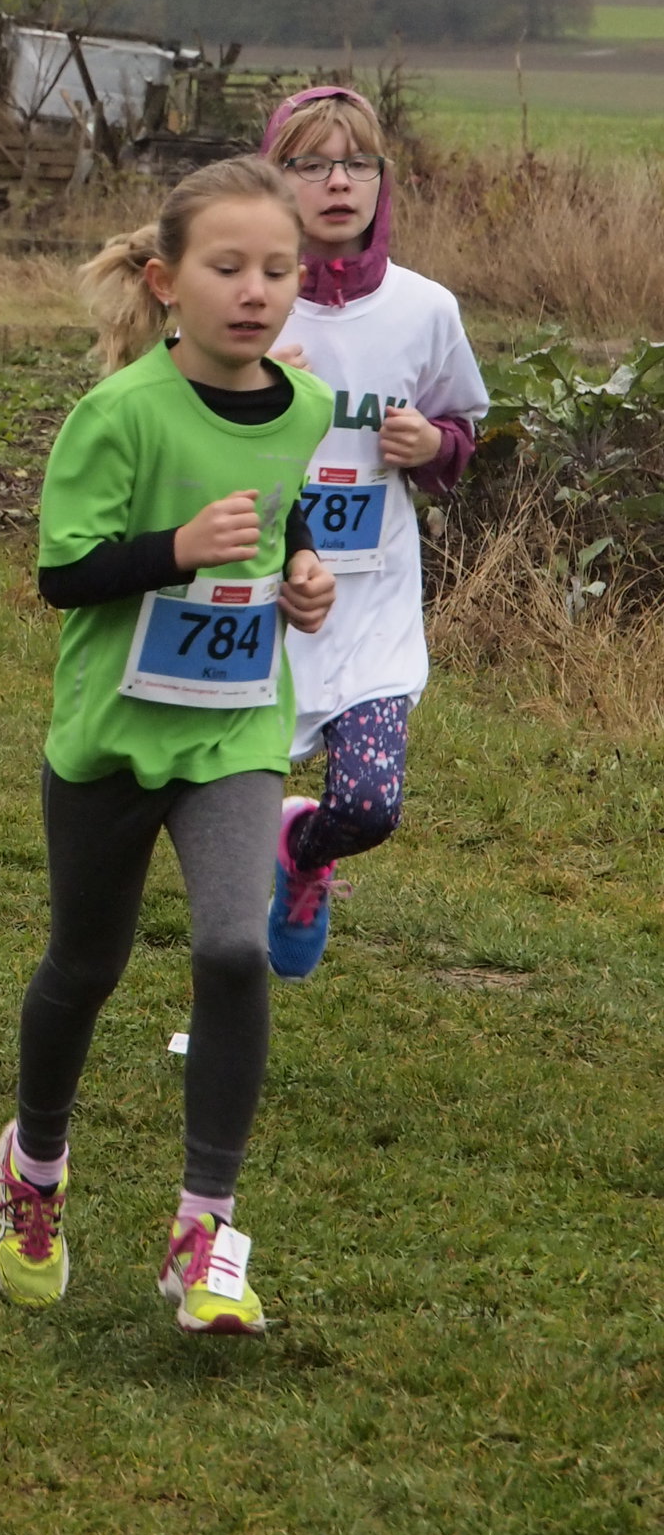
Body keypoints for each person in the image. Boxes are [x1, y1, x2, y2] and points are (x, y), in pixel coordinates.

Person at [0, 156, 337, 1338]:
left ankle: (205, 1235)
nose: (256, 291)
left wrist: (303, 575)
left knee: (235, 948)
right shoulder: (120, 413)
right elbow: (63, 573)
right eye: (228, 267)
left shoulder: (307, 407)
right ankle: (34, 1171)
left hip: (236, 729)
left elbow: (286, 519)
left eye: (278, 270)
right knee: (85, 966)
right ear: (166, 281)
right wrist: (178, 548)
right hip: (114, 739)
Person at [259, 87, 487, 978]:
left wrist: (433, 445)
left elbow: (461, 429)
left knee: (368, 805)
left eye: (358, 163)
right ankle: (225, 990)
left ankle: (304, 852)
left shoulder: (425, 310)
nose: (338, 182)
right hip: (261, 606)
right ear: (273, 177)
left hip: (373, 609)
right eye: (312, 164)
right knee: (215, 825)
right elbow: (173, 423)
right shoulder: (245, 301)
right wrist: (248, 385)